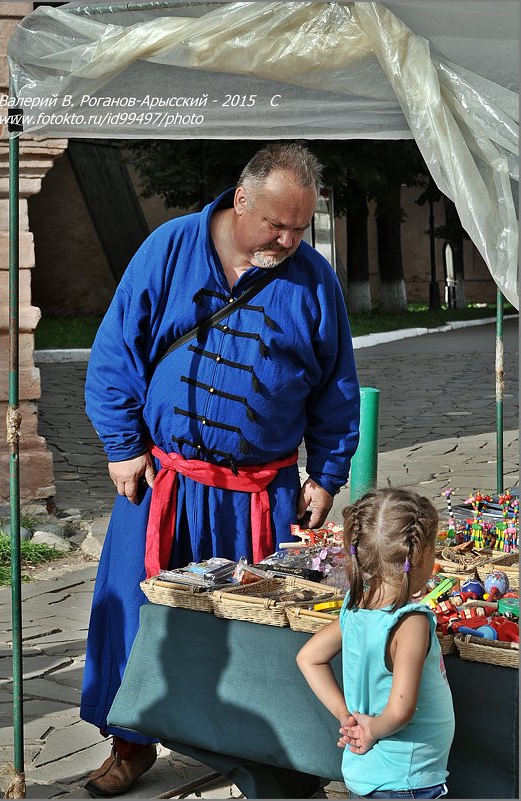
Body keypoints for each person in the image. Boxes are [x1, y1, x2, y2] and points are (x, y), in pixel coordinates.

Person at [81, 142, 360, 797]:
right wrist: (123, 445)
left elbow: (335, 389)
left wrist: (324, 474)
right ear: (240, 200)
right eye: (275, 225)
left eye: (299, 227)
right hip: (164, 486)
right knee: (137, 615)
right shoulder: (170, 248)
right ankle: (131, 740)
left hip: (258, 496)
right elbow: (116, 352)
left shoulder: (312, 279)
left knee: (256, 630)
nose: (288, 240)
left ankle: (262, 752)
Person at [296, 488, 455, 800]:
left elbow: (308, 657)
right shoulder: (411, 622)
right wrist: (369, 730)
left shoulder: (357, 607)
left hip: (369, 774)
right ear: (421, 556)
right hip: (406, 782)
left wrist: (346, 717)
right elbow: (401, 709)